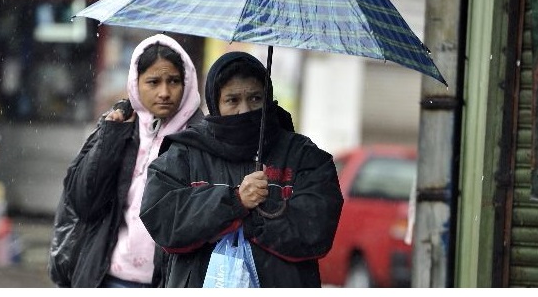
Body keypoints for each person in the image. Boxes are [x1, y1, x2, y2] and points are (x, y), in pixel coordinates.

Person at [139, 51, 344, 287]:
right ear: (215, 104)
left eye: (255, 98)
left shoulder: (303, 156)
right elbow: (163, 217)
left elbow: (316, 229)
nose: (245, 110)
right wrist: (235, 201)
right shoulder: (186, 152)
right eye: (232, 100)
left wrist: (250, 222)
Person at [48, 33, 203, 288]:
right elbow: (84, 202)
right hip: (108, 278)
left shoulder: (199, 139)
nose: (164, 92)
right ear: (135, 84)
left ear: (186, 83)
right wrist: (110, 138)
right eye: (153, 82)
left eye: (173, 81)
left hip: (167, 282)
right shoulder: (119, 127)